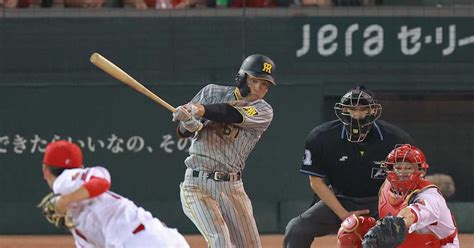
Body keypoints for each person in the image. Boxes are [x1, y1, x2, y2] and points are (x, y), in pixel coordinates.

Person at [283, 85, 415, 248]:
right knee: (297, 229)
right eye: (352, 109)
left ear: (373, 111)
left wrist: (396, 211)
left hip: (381, 202)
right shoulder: (321, 137)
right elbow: (316, 182)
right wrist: (344, 214)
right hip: (339, 201)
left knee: (406, 231)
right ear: (343, 109)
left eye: (363, 109)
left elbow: (409, 179)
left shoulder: (396, 138)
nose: (357, 114)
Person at [171, 54, 276, 248]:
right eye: (255, 81)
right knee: (220, 241)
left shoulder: (263, 110)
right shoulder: (211, 92)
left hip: (232, 187)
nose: (260, 88)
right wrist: (188, 121)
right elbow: (183, 132)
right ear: (242, 78)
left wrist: (199, 109)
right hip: (197, 184)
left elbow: (229, 113)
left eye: (265, 85)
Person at [39, 140, 190, 248]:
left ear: (45, 171)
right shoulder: (78, 227)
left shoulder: (64, 181)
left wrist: (63, 201)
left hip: (142, 241)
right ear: (81, 165)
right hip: (165, 239)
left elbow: (101, 182)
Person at [337, 144, 459, 248]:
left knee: (390, 232)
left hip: (438, 245)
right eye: (398, 167)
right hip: (412, 244)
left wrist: (394, 226)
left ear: (421, 171)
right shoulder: (386, 187)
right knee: (352, 228)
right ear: (390, 169)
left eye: (409, 168)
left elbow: (409, 216)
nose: (402, 172)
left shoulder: (430, 196)